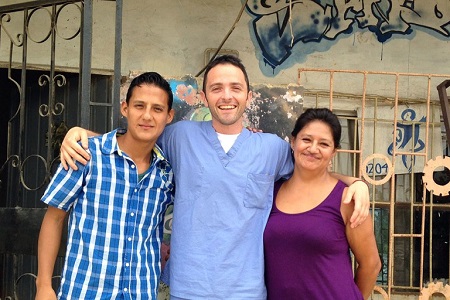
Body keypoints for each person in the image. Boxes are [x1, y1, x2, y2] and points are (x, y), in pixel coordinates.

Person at [59, 55, 370, 299]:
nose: (226, 96)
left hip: (247, 290)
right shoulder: (179, 137)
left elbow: (313, 166)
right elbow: (133, 143)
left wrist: (356, 182)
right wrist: (81, 134)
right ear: (204, 97)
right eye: (216, 88)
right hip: (188, 287)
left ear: (248, 96)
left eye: (235, 88)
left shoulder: (272, 149)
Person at [35, 72, 175, 299]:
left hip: (140, 292)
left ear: (169, 116)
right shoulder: (85, 154)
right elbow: (54, 218)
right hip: (86, 292)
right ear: (125, 108)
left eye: (157, 109)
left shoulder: (166, 172)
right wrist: (43, 286)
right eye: (139, 105)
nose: (147, 115)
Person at [264, 108, 381, 300]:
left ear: (334, 151)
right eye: (307, 140)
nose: (313, 149)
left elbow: (371, 264)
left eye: (324, 144)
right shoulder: (271, 192)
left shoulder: (347, 199)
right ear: (293, 142)